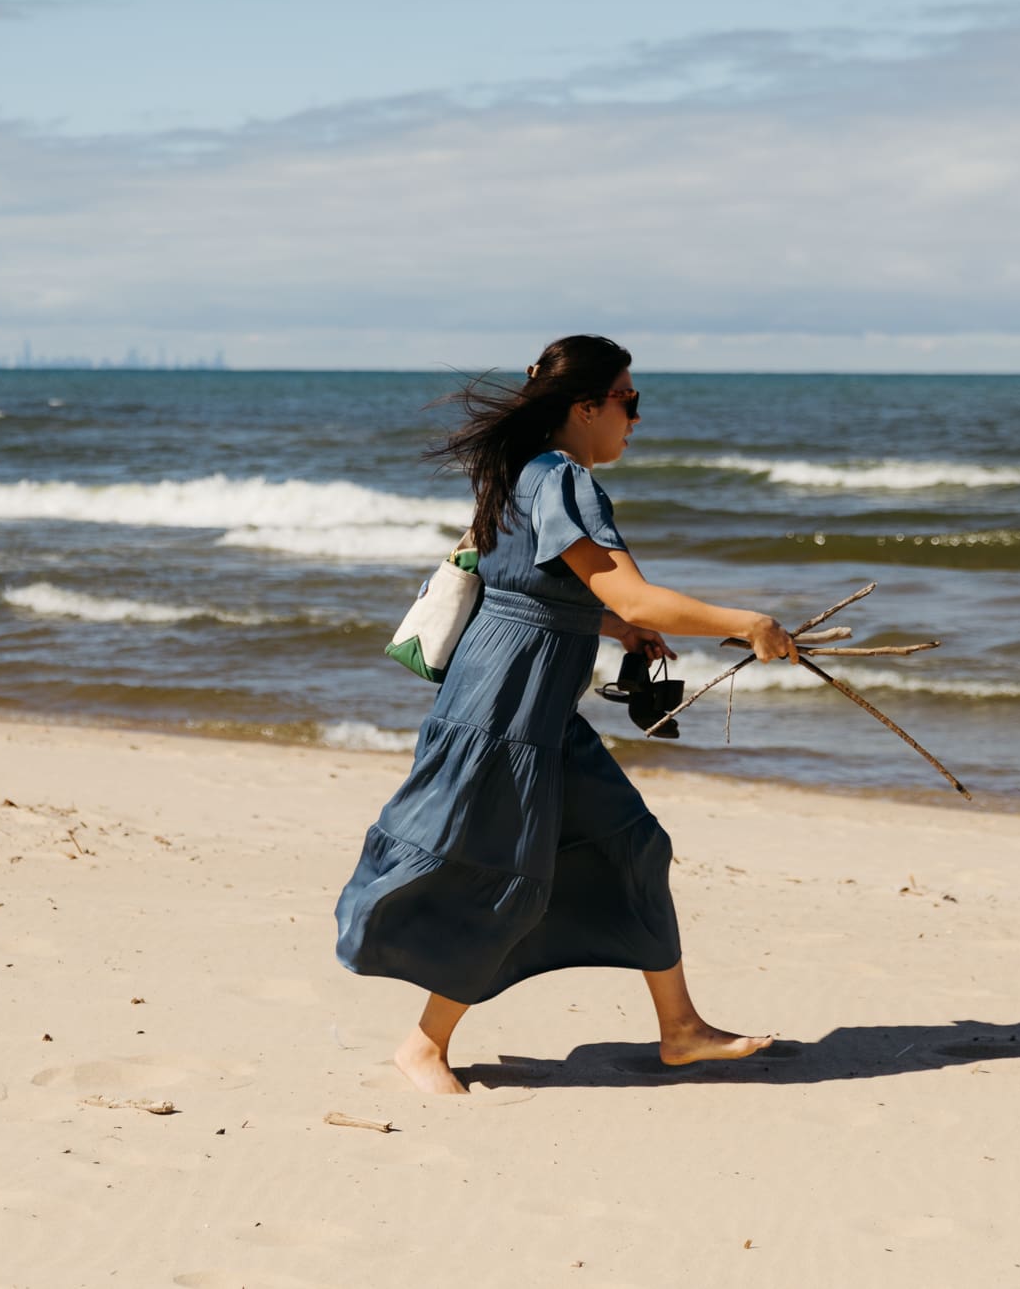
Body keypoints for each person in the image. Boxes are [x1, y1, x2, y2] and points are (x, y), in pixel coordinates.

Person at [333, 334, 801, 1095]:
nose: (636, 418)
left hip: (534, 707)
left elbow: (531, 582)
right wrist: (747, 622)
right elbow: (632, 593)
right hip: (507, 710)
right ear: (586, 406)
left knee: (634, 845)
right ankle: (422, 1046)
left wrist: (612, 629)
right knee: (500, 872)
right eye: (629, 399)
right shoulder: (563, 480)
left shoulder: (527, 470)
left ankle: (681, 1030)